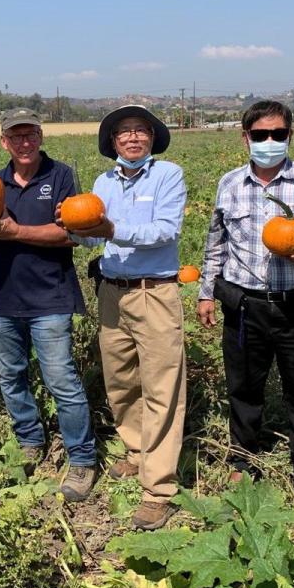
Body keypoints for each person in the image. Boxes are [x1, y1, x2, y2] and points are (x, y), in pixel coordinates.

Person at [197, 100, 294, 507]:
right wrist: (207, 291)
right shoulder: (229, 184)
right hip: (243, 305)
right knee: (243, 387)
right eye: (260, 135)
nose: (269, 141)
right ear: (246, 138)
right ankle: (243, 462)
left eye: (278, 134)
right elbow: (216, 242)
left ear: (290, 135)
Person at [63, 105, 187, 530]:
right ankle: (136, 451)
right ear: (112, 142)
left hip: (155, 292)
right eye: (124, 132)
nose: (133, 138)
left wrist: (111, 230)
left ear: (152, 139)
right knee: (121, 380)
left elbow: (166, 230)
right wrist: (75, 228)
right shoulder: (102, 182)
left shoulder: (168, 175)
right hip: (112, 292)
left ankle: (159, 488)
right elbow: (87, 237)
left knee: (162, 386)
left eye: (141, 131)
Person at [0, 107, 97, 502]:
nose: (23, 143)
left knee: (62, 380)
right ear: (3, 141)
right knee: (12, 375)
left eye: (30, 135)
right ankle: (29, 440)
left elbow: (72, 233)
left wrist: (15, 230)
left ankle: (82, 458)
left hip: (50, 296)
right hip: (3, 295)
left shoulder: (60, 177)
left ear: (41, 136)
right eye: (15, 136)